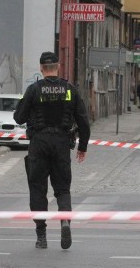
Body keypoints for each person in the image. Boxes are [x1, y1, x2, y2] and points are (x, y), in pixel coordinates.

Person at [14, 51, 91, 249]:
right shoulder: (69, 89)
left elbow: (19, 118)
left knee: (38, 189)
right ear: (58, 67)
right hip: (62, 143)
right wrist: (82, 147)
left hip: (39, 142)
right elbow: (83, 120)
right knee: (63, 189)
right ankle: (65, 221)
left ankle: (41, 235)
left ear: (41, 68)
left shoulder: (34, 89)